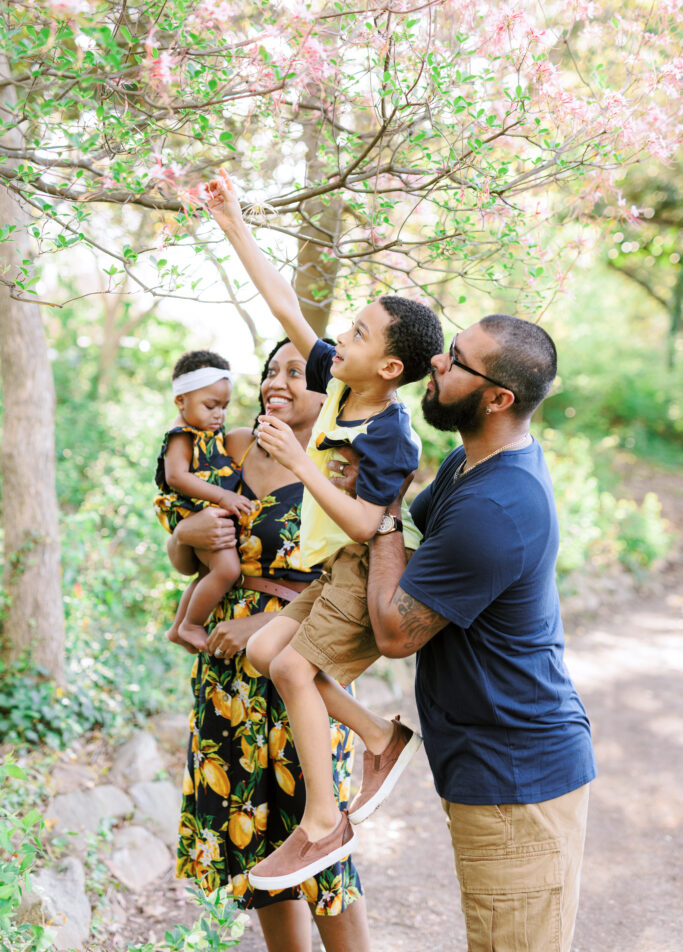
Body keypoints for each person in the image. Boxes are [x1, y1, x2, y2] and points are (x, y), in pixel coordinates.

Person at [204, 170, 444, 890]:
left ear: (391, 366)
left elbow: (372, 522)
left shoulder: (390, 434)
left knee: (283, 665)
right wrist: (233, 223)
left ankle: (321, 821)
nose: (341, 338)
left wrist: (299, 465)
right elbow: (284, 304)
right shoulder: (338, 379)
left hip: (362, 571)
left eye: (359, 333)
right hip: (330, 570)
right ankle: (378, 735)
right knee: (265, 657)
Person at [357, 314, 597, 952]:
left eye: (457, 359)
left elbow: (394, 631)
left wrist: (378, 514)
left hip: (517, 776)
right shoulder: (473, 460)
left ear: (499, 398)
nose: (436, 360)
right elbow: (412, 542)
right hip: (487, 764)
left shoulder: (496, 505)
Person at [167, 339, 372, 952]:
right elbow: (190, 562)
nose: (277, 382)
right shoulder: (225, 449)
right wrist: (183, 532)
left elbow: (354, 576)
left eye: (297, 372)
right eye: (270, 371)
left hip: (304, 661)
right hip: (225, 674)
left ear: (331, 389)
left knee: (316, 832)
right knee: (254, 832)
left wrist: (262, 621)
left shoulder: (341, 465)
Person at [154, 350, 253, 651]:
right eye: (210, 405)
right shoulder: (181, 434)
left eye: (224, 406)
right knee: (227, 571)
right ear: (181, 401)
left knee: (208, 573)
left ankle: (177, 628)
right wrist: (223, 495)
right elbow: (177, 477)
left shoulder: (209, 432)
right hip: (193, 511)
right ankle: (191, 624)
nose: (219, 414)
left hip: (207, 511)